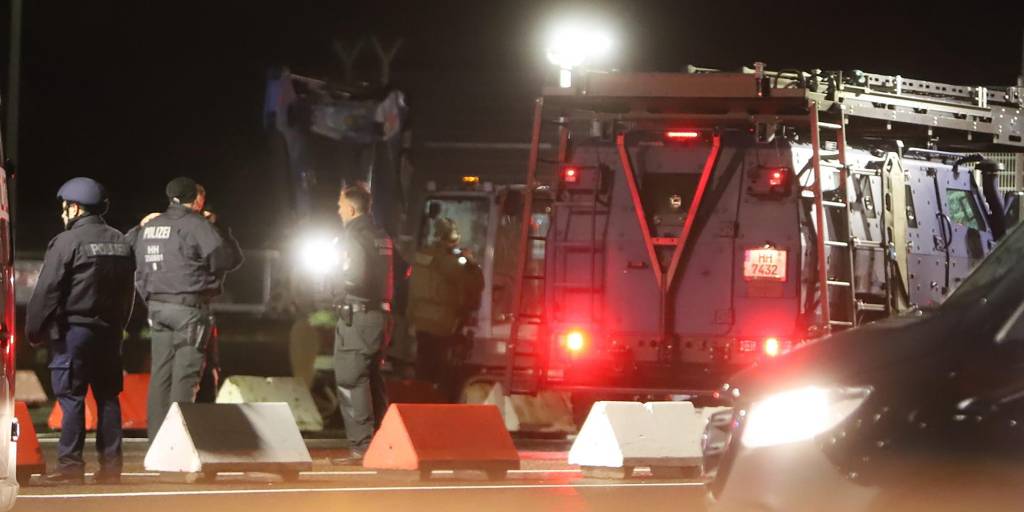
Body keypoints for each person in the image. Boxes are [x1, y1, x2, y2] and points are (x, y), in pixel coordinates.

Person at [26, 177, 135, 484]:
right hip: (110, 333)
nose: (63, 213)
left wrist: (34, 330)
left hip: (74, 332)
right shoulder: (121, 242)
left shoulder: (67, 241)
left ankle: (70, 467)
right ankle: (111, 469)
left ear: (75, 208)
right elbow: (128, 293)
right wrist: (119, 326)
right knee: (108, 398)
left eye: (65, 207)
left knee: (72, 397)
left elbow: (47, 290)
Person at [126, 177, 243, 439]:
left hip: (157, 308)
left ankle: (157, 440)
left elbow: (133, 258)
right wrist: (218, 227)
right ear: (197, 200)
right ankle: (177, 441)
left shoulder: (151, 226)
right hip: (189, 309)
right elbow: (226, 259)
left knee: (160, 376)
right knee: (185, 377)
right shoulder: (197, 225)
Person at [331, 185, 393, 465]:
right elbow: (404, 268)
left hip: (357, 317)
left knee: (352, 379)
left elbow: (353, 276)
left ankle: (363, 447)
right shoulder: (382, 236)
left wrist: (332, 281)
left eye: (340, 205)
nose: (338, 211)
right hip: (381, 317)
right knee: (373, 379)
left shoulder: (351, 236)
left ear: (351, 209)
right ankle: (384, 442)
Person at [407, 217, 484, 401]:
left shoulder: (421, 255)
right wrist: (472, 263)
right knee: (444, 371)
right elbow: (475, 284)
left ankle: (419, 401)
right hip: (442, 323)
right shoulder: (449, 261)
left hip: (420, 321)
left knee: (423, 367)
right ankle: (439, 403)